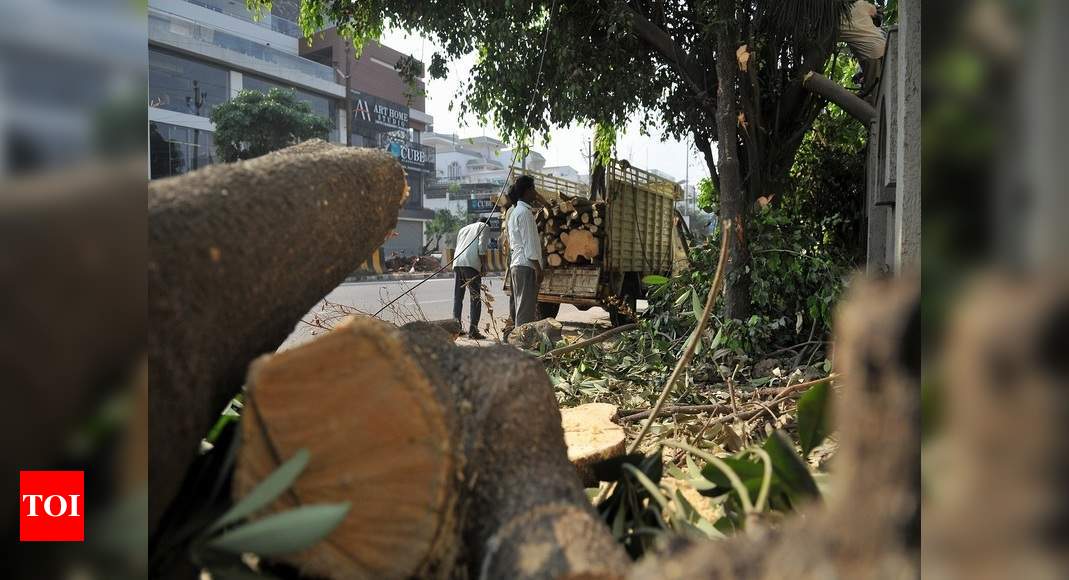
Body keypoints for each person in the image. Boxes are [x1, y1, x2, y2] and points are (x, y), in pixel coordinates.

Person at [505, 175, 543, 327]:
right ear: (527, 191)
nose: (535, 193)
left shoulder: (515, 212)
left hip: (517, 264)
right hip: (526, 266)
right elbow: (529, 246)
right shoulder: (525, 213)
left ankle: (519, 345)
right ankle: (521, 347)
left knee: (522, 310)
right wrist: (539, 269)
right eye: (533, 189)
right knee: (525, 315)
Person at [452, 216, 491, 339]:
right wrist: (484, 265)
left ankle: (455, 329)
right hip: (471, 264)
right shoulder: (484, 226)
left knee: (458, 297)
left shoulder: (463, 229)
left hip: (458, 262)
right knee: (475, 298)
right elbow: (482, 248)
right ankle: (473, 331)